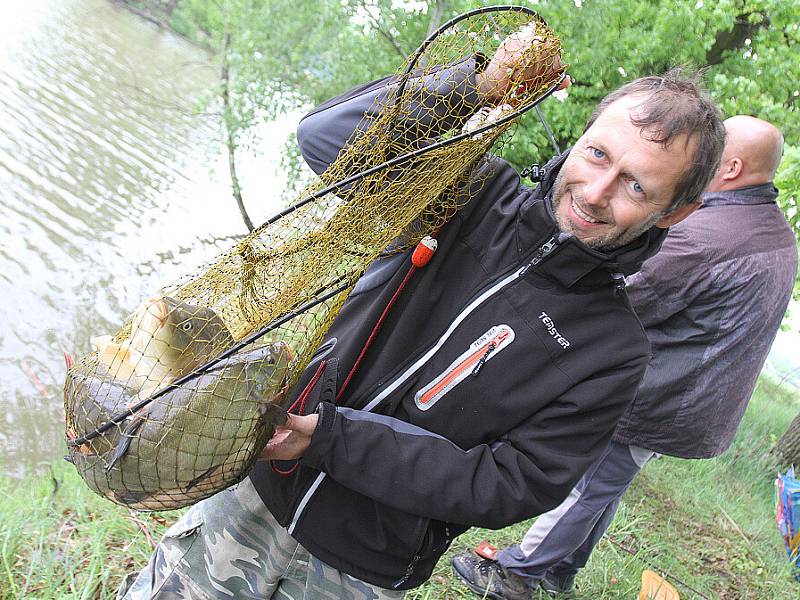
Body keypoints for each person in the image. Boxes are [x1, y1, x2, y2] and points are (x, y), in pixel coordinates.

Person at [119, 30, 725, 600]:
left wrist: (330, 440)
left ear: (676, 211)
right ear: (580, 138)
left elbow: (511, 483)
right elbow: (327, 141)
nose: (596, 192)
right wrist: (475, 86)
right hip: (253, 493)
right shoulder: (475, 189)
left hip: (361, 564)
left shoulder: (614, 351)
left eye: (636, 187)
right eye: (596, 155)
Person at [451, 115, 798, 600]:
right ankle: (559, 570)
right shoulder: (766, 227)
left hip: (664, 391)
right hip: (689, 392)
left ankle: (515, 575)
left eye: (710, 154)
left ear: (734, 166)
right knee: (606, 482)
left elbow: (630, 297)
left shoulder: (714, 234)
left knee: (587, 483)